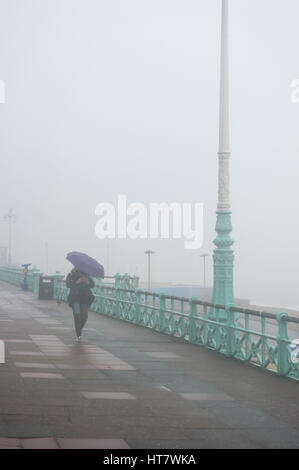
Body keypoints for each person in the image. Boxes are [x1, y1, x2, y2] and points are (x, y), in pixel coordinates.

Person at [66, 267, 95, 341]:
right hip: (75, 299)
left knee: (84, 317)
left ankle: (78, 328)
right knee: (77, 317)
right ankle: (79, 335)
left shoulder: (86, 276)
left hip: (84, 299)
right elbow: (68, 285)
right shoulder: (71, 275)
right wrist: (77, 282)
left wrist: (87, 281)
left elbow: (92, 285)